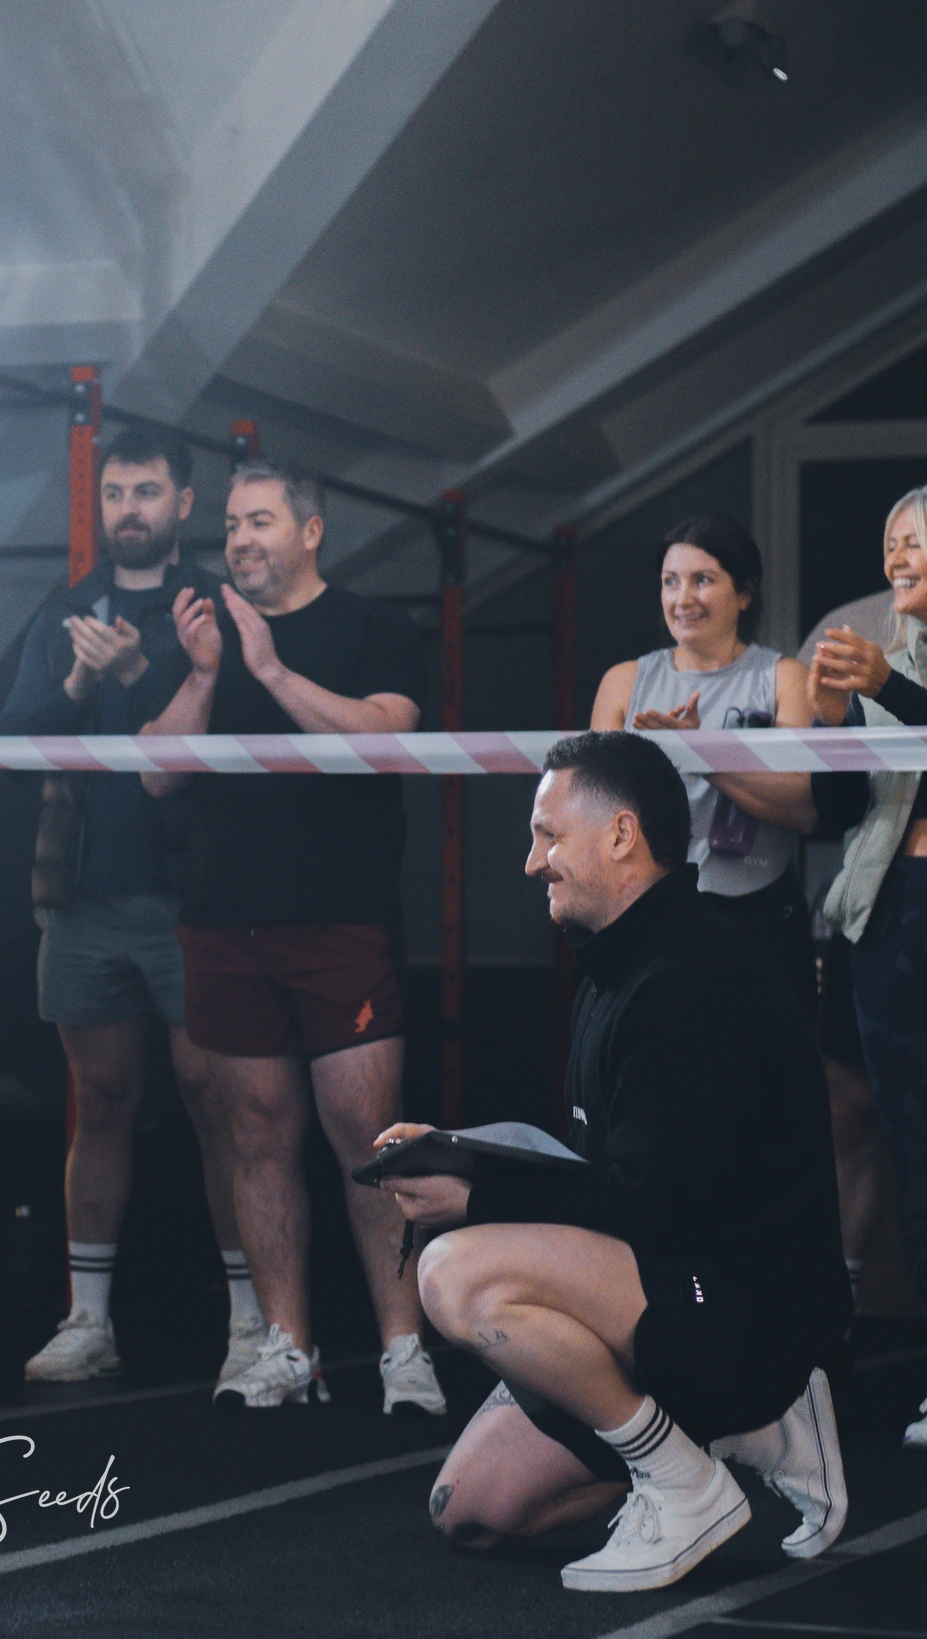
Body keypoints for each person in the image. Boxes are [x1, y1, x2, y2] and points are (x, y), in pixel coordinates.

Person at [382, 731, 850, 1593]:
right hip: (669, 1288)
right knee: (469, 1509)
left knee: (452, 1272)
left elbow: (645, 1206)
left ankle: (683, 1480)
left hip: (741, 1310)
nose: (533, 862)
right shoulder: (617, 958)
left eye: (548, 835)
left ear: (622, 834)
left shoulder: (694, 975)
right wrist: (462, 1159)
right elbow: (614, 1173)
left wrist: (473, 1200)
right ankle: (749, 1433)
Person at [140, 459, 444, 1416]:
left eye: (260, 521)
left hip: (340, 919)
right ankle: (288, 1346)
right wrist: (206, 672)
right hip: (223, 921)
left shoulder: (373, 627)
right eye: (232, 523)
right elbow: (155, 771)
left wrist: (270, 669)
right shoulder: (203, 632)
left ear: (310, 532)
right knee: (256, 1136)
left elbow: (384, 738)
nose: (239, 539)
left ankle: (403, 1349)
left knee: (369, 1136)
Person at [0, 426, 253, 1386]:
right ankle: (89, 1320)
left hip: (197, 898)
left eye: (146, 492)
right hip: (84, 894)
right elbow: (14, 741)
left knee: (220, 1105)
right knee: (99, 1102)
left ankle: (253, 1324)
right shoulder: (69, 609)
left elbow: (241, 739)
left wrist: (146, 672)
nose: (128, 510)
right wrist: (79, 677)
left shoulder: (216, 603)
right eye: (114, 494)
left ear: (184, 504)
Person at [806, 485, 927, 1452]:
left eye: (918, 539)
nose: (898, 554)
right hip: (881, 914)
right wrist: (828, 716)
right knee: (903, 1143)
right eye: (891, 540)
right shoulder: (887, 656)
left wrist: (885, 685)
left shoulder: (894, 668)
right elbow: (840, 810)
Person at [590, 515, 817, 1010]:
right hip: (647, 911)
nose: (683, 598)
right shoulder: (623, 682)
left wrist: (700, 753)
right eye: (670, 581)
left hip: (759, 910)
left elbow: (803, 806)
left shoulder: (784, 677)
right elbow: (595, 812)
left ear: (745, 594)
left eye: (703, 580)